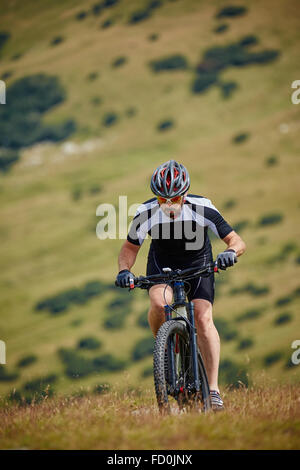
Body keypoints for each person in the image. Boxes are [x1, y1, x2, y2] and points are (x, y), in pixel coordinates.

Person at [115, 160, 246, 410]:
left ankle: (214, 388)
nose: (168, 204)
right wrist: (124, 270)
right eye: (162, 199)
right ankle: (164, 349)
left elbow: (236, 240)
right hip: (161, 265)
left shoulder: (203, 207)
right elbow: (130, 248)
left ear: (184, 194)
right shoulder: (145, 212)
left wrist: (231, 252)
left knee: (203, 317)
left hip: (199, 264)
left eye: (174, 199)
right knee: (157, 303)